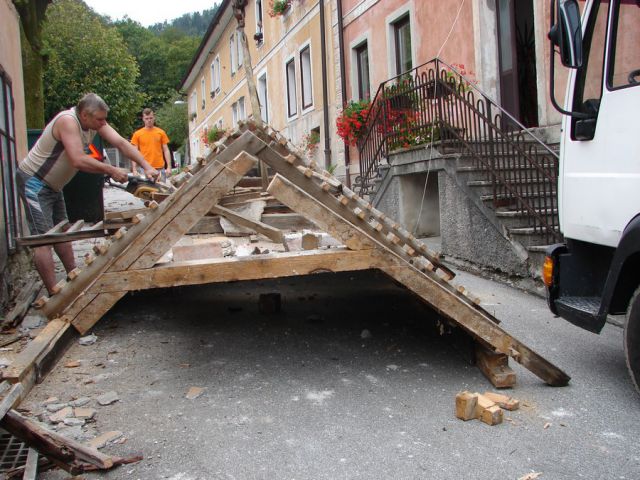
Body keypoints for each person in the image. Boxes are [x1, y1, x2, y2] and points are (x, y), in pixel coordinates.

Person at [16, 93, 159, 296]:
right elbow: (78, 159)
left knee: (63, 230)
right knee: (44, 239)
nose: (103, 123)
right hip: (35, 182)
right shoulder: (67, 122)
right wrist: (111, 170)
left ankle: (73, 280)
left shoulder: (94, 122)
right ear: (84, 115)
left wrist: (147, 166)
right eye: (99, 119)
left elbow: (121, 143)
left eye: (104, 119)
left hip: (53, 185)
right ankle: (55, 296)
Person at [130, 108, 171, 180]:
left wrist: (169, 167)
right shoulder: (137, 134)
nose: (149, 120)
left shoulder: (161, 132)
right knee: (146, 190)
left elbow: (166, 150)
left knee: (162, 190)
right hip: (144, 168)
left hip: (159, 168)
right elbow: (134, 152)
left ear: (154, 118)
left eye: (151, 118)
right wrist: (134, 169)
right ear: (143, 119)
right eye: (147, 118)